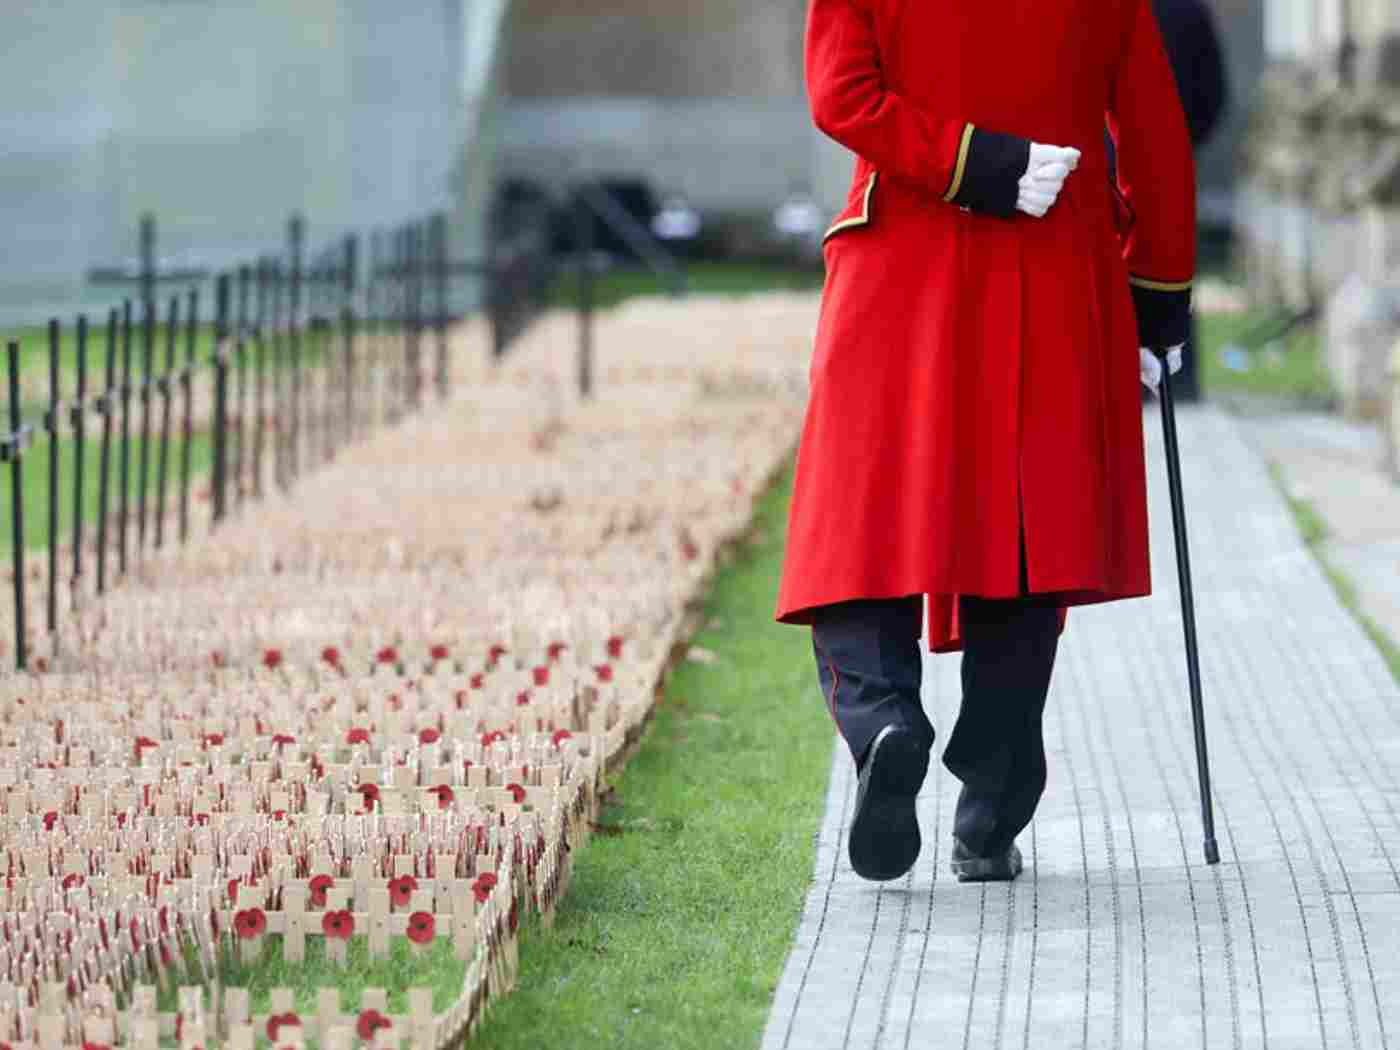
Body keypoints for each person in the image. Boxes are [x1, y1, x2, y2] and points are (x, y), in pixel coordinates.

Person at [776, 0, 1197, 883]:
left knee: (866, 515)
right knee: (1023, 531)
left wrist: (967, 162)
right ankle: (993, 804)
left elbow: (841, 96)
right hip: (1055, 264)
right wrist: (1158, 291)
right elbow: (1155, 132)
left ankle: (883, 720)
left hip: (900, 252)